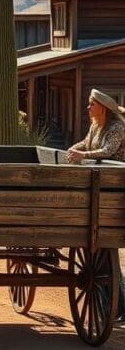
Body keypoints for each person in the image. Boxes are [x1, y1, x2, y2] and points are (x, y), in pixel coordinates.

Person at [66, 89, 125, 323]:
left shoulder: (116, 128)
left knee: (107, 254)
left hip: (113, 191)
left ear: (103, 108)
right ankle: (114, 305)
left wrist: (83, 155)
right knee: (102, 256)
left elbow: (108, 151)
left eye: (91, 104)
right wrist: (75, 149)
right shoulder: (95, 126)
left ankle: (118, 305)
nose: (88, 108)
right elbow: (86, 143)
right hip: (97, 187)